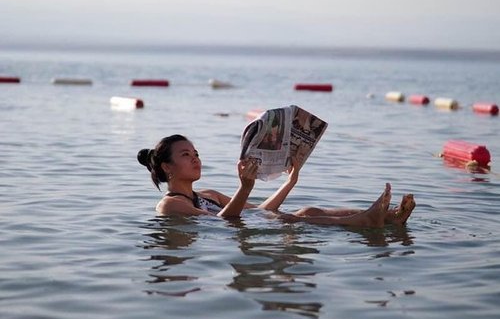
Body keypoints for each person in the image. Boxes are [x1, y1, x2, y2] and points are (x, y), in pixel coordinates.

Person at [137, 135, 415, 228]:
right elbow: (221, 223)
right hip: (236, 236)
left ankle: (389, 218)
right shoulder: (170, 205)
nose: (196, 158)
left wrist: (290, 182)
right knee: (298, 218)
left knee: (308, 210)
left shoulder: (208, 194)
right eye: (186, 155)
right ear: (166, 167)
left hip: (254, 225)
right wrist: (244, 188)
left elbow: (259, 211)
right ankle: (367, 221)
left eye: (196, 153)